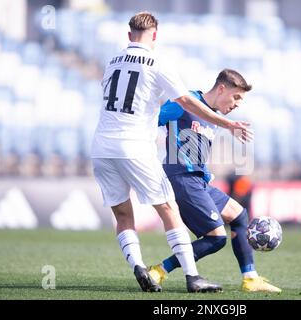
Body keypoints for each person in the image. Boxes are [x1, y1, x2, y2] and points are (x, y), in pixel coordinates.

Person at [90, 12, 252, 293]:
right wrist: (227, 124)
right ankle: (191, 276)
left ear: (129, 36)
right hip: (133, 145)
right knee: (168, 208)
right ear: (155, 35)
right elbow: (186, 101)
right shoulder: (157, 61)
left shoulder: (112, 60)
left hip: (102, 146)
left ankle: (139, 266)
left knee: (124, 216)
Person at [148, 69, 281, 292]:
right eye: (236, 96)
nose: (238, 104)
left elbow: (193, 147)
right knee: (217, 238)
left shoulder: (213, 117)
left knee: (239, 215)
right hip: (181, 179)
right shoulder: (186, 101)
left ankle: (250, 279)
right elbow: (152, 120)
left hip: (197, 180)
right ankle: (159, 271)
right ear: (221, 89)